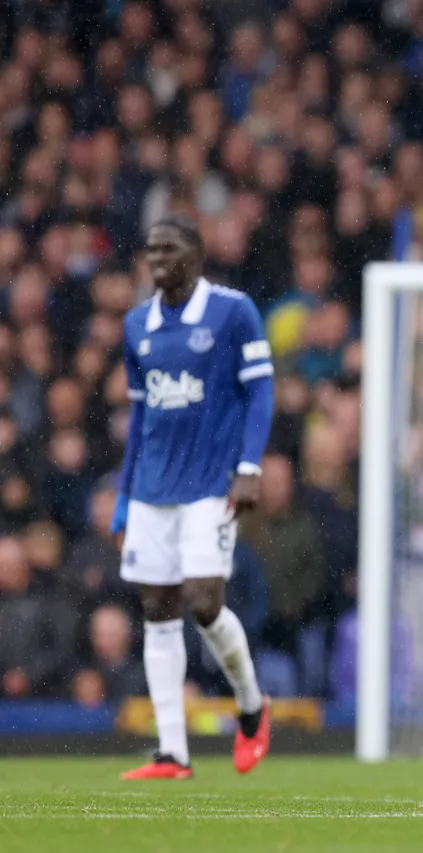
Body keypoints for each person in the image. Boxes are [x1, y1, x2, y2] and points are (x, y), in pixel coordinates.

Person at [112, 214, 275, 780]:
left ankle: (252, 706)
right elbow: (141, 417)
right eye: (150, 249)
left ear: (196, 254)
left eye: (168, 247)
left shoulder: (232, 311)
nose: (156, 257)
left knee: (204, 604)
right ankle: (172, 752)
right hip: (153, 489)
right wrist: (123, 498)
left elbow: (260, 390)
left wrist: (249, 467)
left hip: (211, 485)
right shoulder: (137, 325)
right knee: (156, 610)